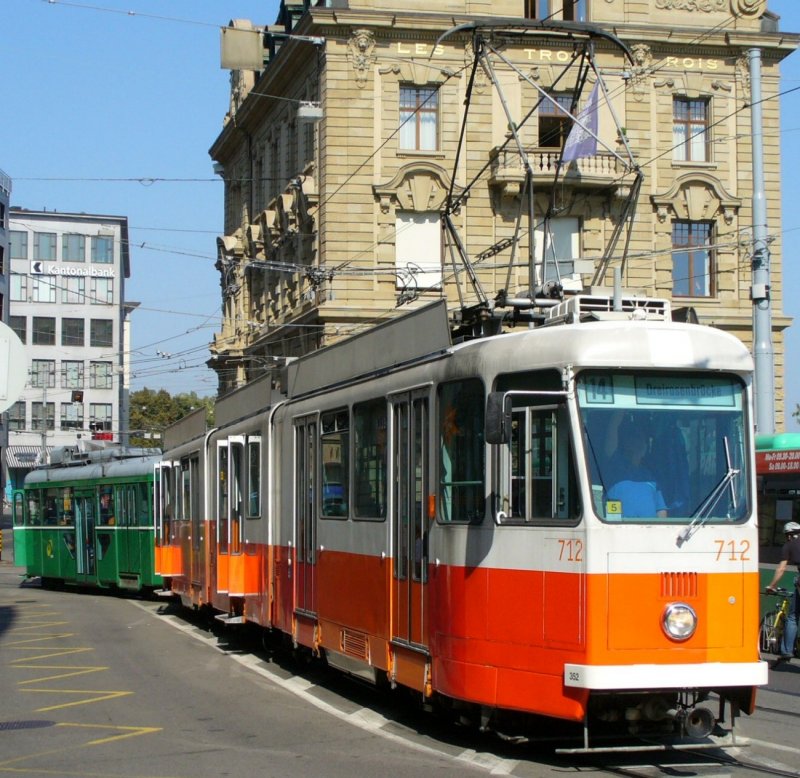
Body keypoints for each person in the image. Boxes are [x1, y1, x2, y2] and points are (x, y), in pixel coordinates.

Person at [606, 421, 667, 519]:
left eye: (642, 441)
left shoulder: (650, 476)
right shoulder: (616, 467)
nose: (640, 444)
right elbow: (612, 434)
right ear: (626, 444)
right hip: (618, 529)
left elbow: (660, 509)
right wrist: (620, 410)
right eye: (635, 440)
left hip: (651, 531)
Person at [766, 521, 800, 663]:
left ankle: (787, 651)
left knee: (793, 617)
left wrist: (772, 585)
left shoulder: (789, 546)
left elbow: (781, 569)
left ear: (789, 535)